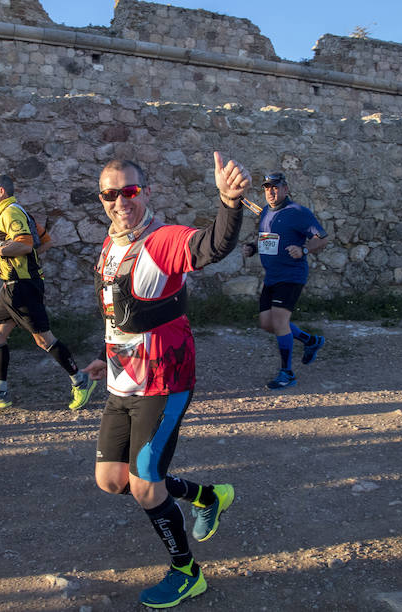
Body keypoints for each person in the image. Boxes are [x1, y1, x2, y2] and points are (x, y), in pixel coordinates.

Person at [81, 152, 247, 608]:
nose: (120, 201)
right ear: (102, 199)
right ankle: (208, 495)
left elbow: (210, 246)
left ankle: (186, 570)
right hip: (121, 382)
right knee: (111, 481)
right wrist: (102, 356)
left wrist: (229, 203)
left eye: (129, 191)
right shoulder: (110, 244)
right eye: (111, 194)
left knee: (145, 484)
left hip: (164, 381)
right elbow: (120, 313)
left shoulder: (162, 239)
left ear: (146, 192)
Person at [0, 173, 97, 410]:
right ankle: (0, 393)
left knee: (43, 339)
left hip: (22, 287)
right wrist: (25, 260)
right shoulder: (16, 213)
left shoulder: (10, 213)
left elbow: (25, 244)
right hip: (11, 285)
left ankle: (81, 382)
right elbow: (45, 241)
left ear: (1, 192)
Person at [241, 171, 329, 389]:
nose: (271, 192)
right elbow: (266, 238)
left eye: (276, 187)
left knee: (279, 322)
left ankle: (287, 373)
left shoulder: (298, 212)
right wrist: (253, 248)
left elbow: (322, 237)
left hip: (292, 275)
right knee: (267, 323)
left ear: (285, 189)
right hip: (272, 276)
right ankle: (311, 341)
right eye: (267, 188)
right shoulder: (265, 213)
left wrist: (304, 249)